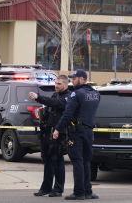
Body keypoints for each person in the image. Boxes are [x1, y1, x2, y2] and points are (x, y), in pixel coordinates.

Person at [53, 69, 100, 200]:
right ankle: (88, 191)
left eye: (74, 78)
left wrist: (57, 129)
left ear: (82, 79)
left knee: (77, 161)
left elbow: (67, 114)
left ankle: (79, 192)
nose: (72, 80)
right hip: (89, 131)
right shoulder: (95, 93)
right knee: (86, 161)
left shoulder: (76, 94)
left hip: (77, 133)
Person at [28, 75, 70, 197]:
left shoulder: (68, 97)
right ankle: (45, 188)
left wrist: (38, 97)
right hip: (48, 132)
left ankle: (58, 189)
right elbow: (50, 107)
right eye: (56, 83)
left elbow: (56, 104)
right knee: (47, 160)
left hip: (59, 134)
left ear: (66, 85)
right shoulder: (55, 94)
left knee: (57, 161)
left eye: (59, 84)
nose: (56, 85)